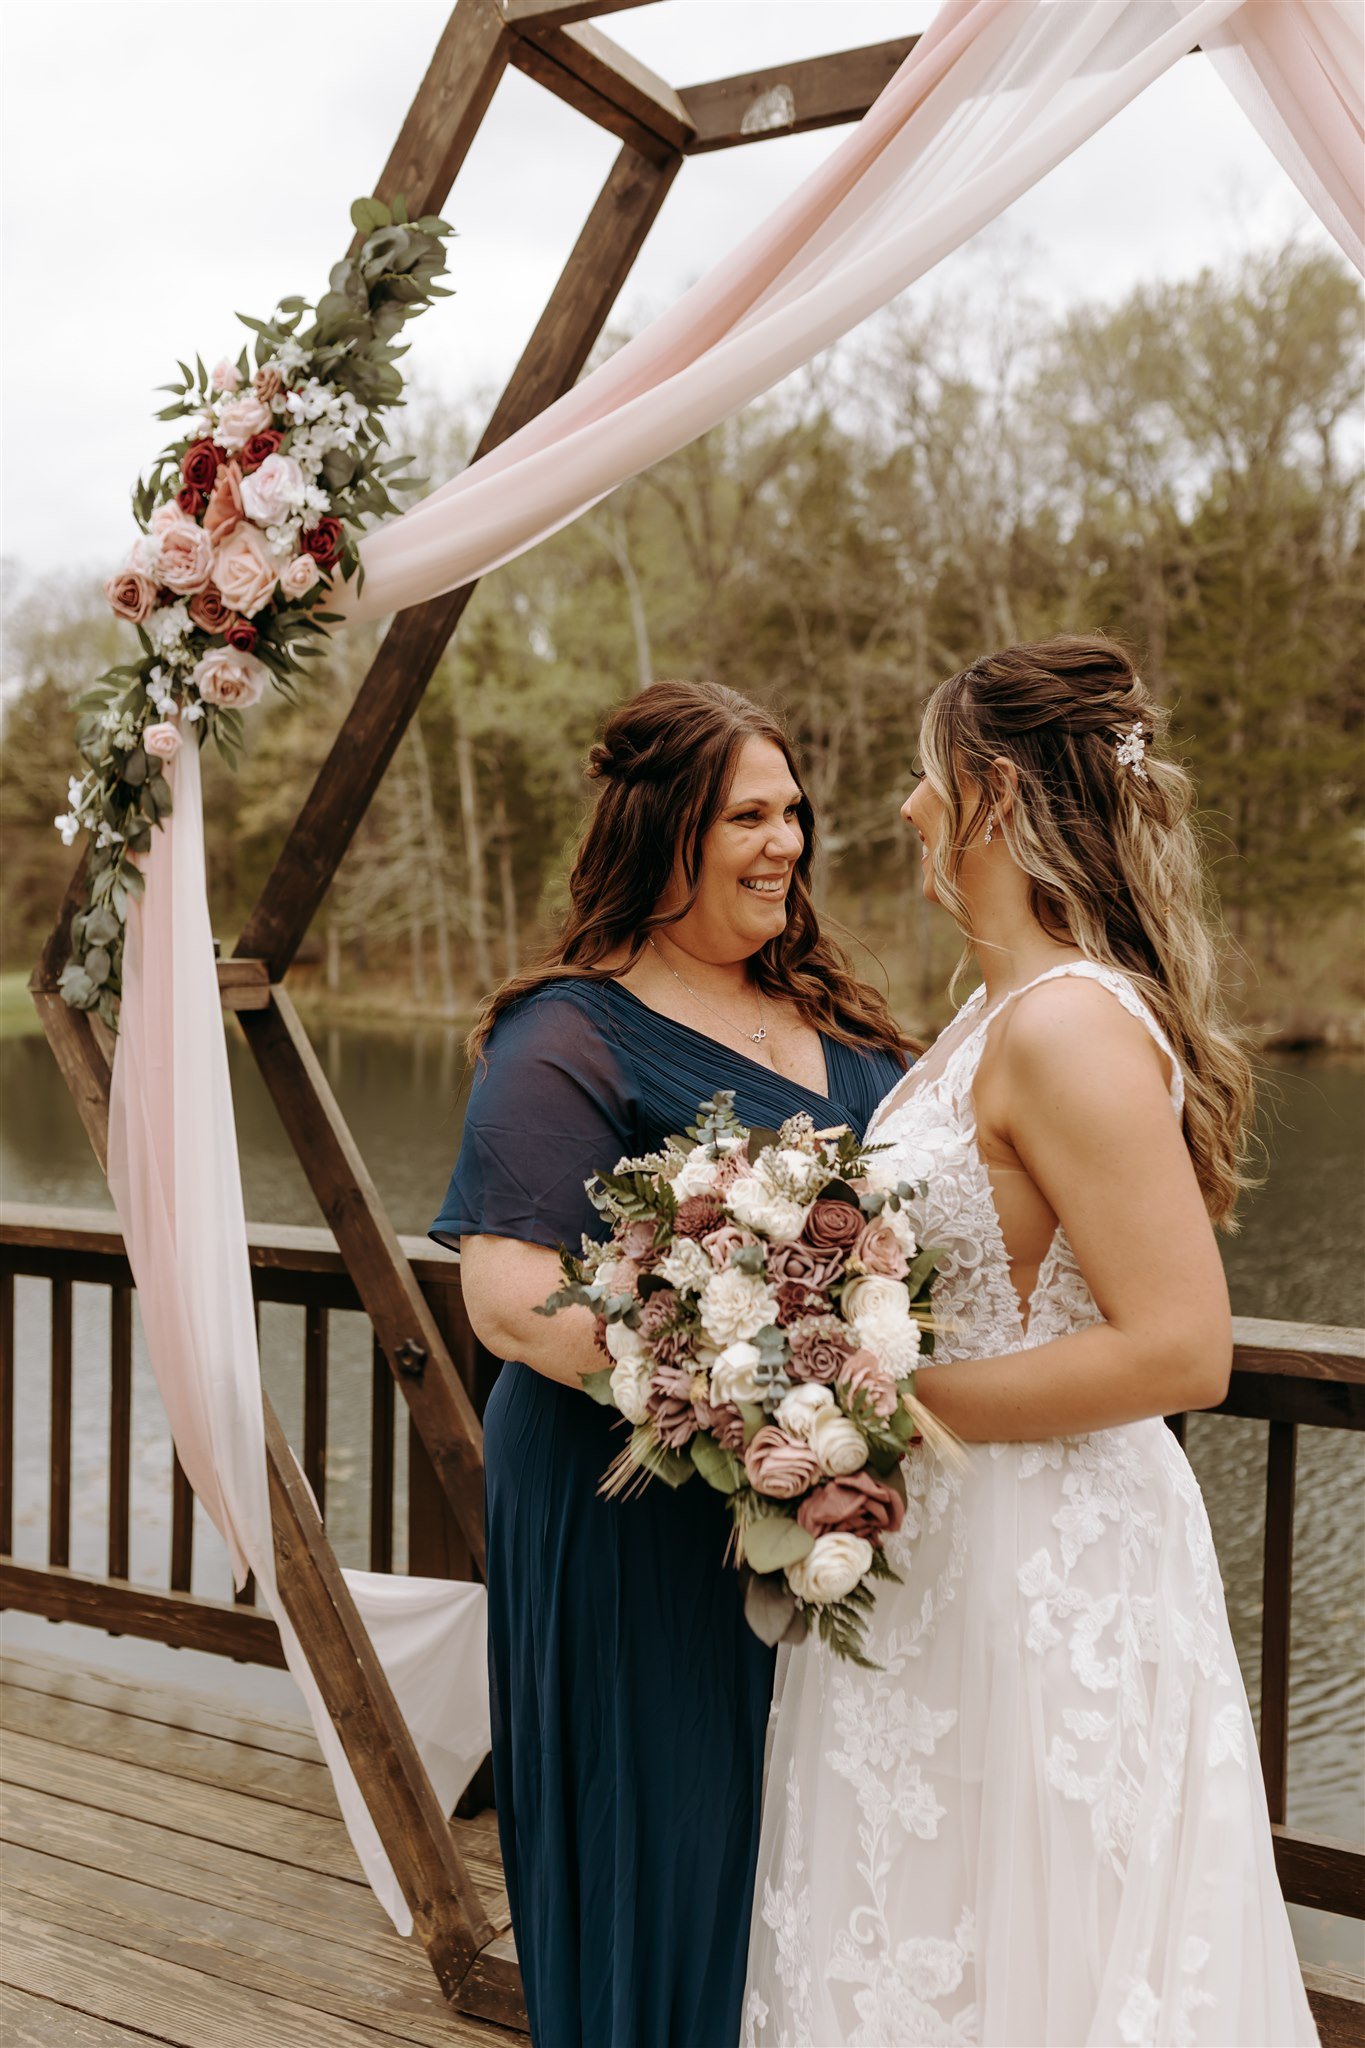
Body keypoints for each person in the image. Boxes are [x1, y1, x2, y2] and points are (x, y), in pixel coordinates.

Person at [743, 637, 1318, 2046]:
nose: (902, 808)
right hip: (933, 1555)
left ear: (989, 791)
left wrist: (879, 1405)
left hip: (1040, 1572)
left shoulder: (1067, 1027)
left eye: (925, 777)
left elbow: (1181, 1352)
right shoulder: (977, 1018)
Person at [429, 679, 911, 2048]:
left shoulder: (854, 1035)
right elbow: (514, 1306)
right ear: (665, 836)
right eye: (747, 817)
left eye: (793, 813)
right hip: (626, 1500)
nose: (785, 844)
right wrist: (759, 1396)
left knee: (809, 1836)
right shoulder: (566, 1034)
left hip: (817, 1503)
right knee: (667, 1827)